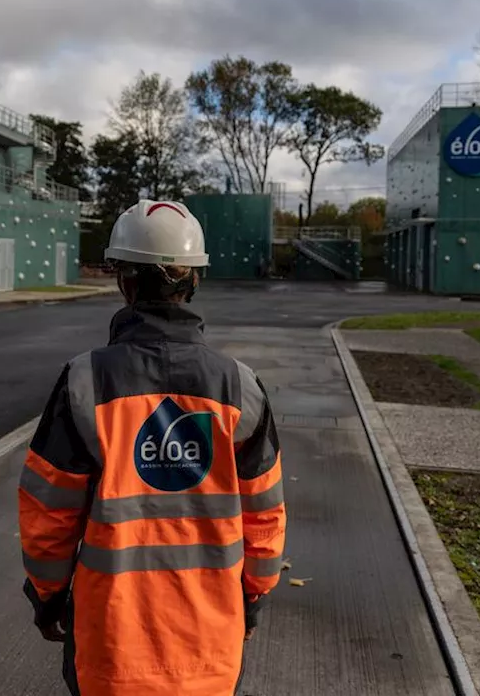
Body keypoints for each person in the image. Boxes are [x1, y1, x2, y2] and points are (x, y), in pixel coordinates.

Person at [17, 199, 288, 696]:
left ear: (124, 280)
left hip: (110, 647)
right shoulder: (240, 387)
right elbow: (265, 515)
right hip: (211, 648)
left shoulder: (85, 382)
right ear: (195, 281)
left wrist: (49, 597)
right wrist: (253, 598)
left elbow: (48, 511)